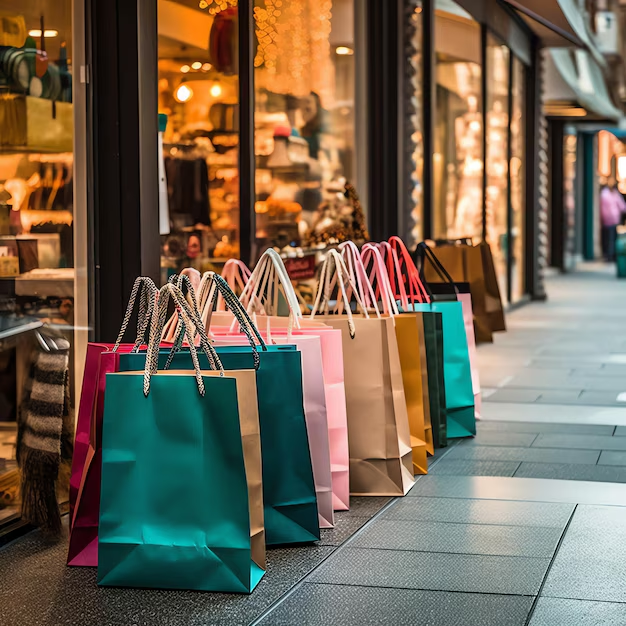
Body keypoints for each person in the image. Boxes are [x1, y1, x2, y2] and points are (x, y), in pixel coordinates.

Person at [600, 179, 626, 261]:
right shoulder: (606, 194)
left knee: (611, 238)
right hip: (609, 219)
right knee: (610, 238)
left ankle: (610, 255)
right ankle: (610, 255)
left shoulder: (612, 194)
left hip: (612, 219)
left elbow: (622, 206)